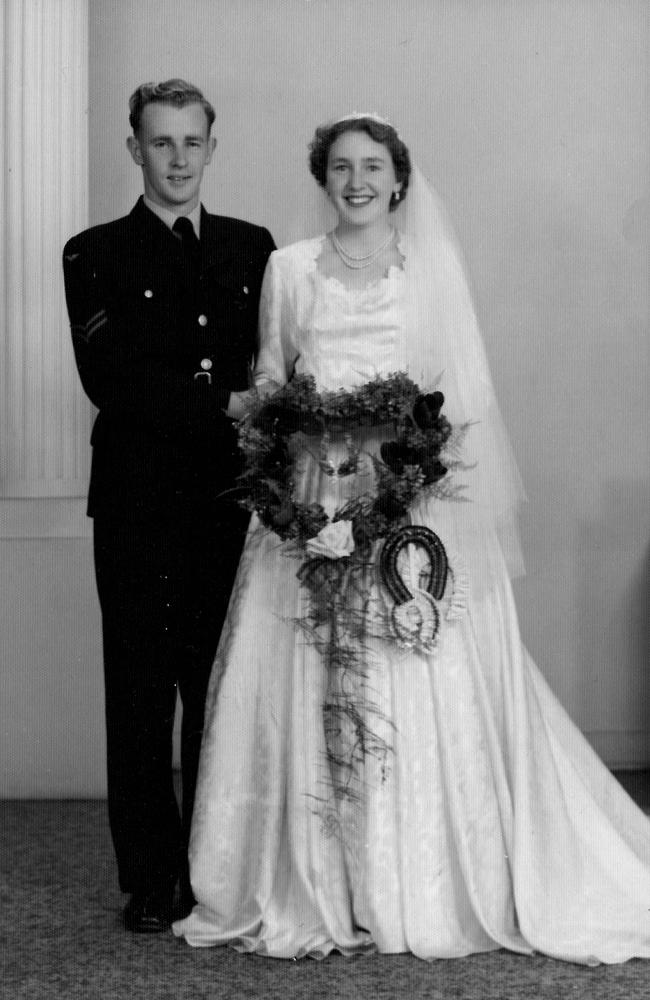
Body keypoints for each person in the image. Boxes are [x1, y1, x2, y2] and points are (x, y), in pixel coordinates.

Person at [173, 114, 650, 963]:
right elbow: (273, 383)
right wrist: (301, 499)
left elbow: (454, 405)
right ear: (323, 178)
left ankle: (412, 881)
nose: (356, 181)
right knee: (297, 679)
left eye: (374, 166)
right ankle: (314, 884)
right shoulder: (288, 270)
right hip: (310, 511)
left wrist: (393, 495)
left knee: (409, 676)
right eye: (341, 167)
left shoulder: (428, 271)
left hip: (408, 518)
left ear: (399, 180)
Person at [62, 80, 275, 933]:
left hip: (229, 505)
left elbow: (275, 364)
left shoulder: (252, 248)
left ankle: (213, 869)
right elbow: (111, 382)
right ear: (134, 150)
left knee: (220, 692)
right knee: (144, 696)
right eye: (162, 143)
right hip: (138, 506)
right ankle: (151, 879)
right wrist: (220, 402)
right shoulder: (93, 252)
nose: (179, 159)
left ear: (212, 148)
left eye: (193, 142)